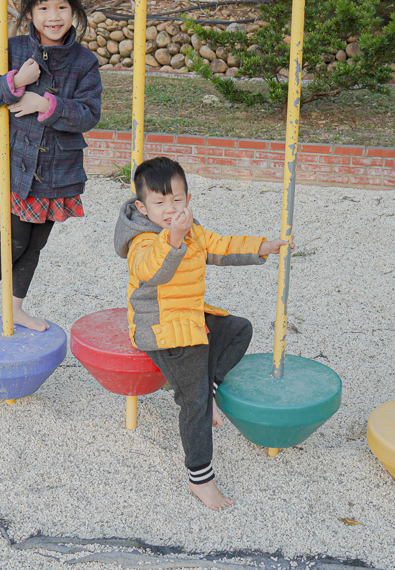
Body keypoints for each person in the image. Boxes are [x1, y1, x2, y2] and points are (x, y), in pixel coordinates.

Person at [114, 156, 288, 510]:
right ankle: (201, 478)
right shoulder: (142, 240)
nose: (169, 209)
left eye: (176, 200)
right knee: (193, 403)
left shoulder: (190, 229)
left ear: (188, 200)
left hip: (189, 319)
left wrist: (261, 247)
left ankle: (208, 385)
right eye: (159, 202)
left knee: (238, 329)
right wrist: (173, 238)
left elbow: (219, 247)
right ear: (142, 206)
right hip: (163, 329)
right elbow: (152, 270)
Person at [0, 0, 102, 331]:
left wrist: (44, 103)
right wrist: (15, 82)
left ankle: (16, 307)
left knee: (36, 243)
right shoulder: (14, 50)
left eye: (61, 7)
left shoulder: (85, 63)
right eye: (43, 8)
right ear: (30, 13)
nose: (53, 17)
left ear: (73, 10)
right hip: (15, 163)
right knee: (14, 240)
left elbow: (89, 114)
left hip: (58, 170)